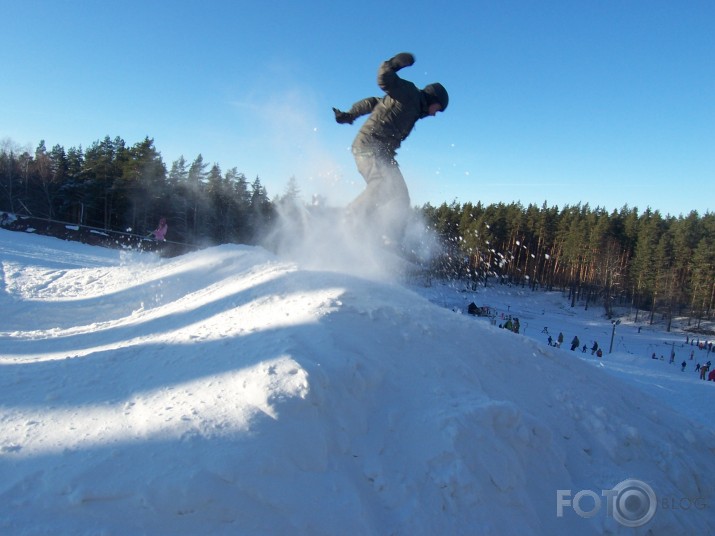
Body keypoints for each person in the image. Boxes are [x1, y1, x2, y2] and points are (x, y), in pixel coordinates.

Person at [333, 52, 449, 244]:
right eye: (438, 108)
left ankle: (389, 240)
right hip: (368, 145)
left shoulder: (414, 109)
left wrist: (351, 114)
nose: (435, 114)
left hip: (383, 153)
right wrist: (394, 64)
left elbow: (374, 103)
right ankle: (351, 219)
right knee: (381, 185)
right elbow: (384, 79)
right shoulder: (410, 93)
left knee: (401, 197)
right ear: (433, 100)